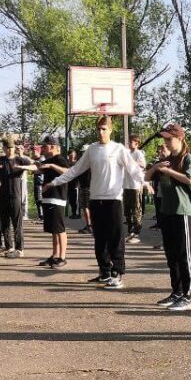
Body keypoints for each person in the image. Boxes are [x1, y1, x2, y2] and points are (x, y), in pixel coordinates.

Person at [44, 115, 140, 289]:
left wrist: (145, 182)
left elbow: (133, 169)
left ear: (110, 130)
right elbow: (75, 170)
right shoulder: (92, 150)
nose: (100, 132)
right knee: (100, 239)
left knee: (115, 238)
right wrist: (55, 182)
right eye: (98, 129)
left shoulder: (118, 149)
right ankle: (104, 272)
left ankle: (117, 273)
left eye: (104, 129)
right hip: (96, 200)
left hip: (113, 200)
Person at [144, 123, 191, 310]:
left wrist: (169, 171)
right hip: (166, 210)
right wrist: (158, 166)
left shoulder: (187, 158)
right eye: (165, 139)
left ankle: (187, 295)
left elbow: (189, 180)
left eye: (169, 139)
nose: (166, 142)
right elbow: (147, 177)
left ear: (180, 138)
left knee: (183, 254)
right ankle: (176, 291)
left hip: (181, 210)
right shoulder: (166, 159)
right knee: (171, 254)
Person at [0, 140, 35, 258]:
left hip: (15, 196)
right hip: (3, 194)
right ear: (4, 148)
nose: (10, 150)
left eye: (12, 148)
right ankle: (8, 246)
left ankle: (19, 248)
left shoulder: (19, 159)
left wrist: (22, 167)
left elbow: (34, 166)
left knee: (17, 223)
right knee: (5, 223)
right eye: (8, 148)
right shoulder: (1, 159)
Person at [36, 136, 71, 268]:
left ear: (52, 146)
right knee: (53, 230)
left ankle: (62, 257)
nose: (43, 149)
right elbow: (38, 169)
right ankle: (55, 255)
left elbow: (68, 172)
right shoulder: (49, 160)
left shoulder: (60, 160)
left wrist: (51, 165)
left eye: (44, 146)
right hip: (48, 198)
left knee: (60, 229)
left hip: (57, 198)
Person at [123, 136, 148, 244]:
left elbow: (143, 165)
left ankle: (137, 233)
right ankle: (130, 232)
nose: (129, 143)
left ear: (137, 143)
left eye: (131, 142)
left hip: (135, 186)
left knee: (136, 210)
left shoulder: (138, 153)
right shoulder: (127, 153)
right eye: (129, 142)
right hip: (126, 185)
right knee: (127, 211)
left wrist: (132, 162)